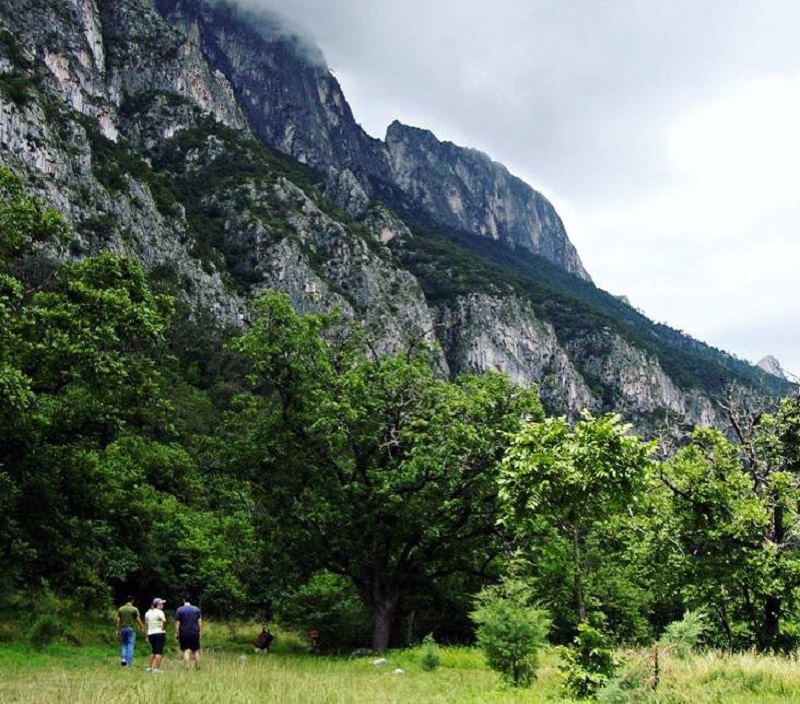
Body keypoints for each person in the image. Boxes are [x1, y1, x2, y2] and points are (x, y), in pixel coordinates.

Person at [114, 595, 144, 668]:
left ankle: (123, 659)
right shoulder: (134, 609)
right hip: (131, 629)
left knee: (123, 644)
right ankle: (128, 664)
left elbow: (118, 620)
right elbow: (137, 619)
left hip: (123, 629)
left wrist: (117, 630)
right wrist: (141, 627)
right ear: (132, 600)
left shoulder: (121, 609)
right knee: (130, 645)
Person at [174, 596, 203, 670]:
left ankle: (187, 668)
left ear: (184, 601)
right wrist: (199, 631)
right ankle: (198, 667)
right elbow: (199, 621)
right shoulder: (196, 609)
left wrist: (177, 633)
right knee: (196, 650)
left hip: (184, 632)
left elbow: (177, 623)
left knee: (186, 651)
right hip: (194, 632)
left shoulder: (180, 610)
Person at [144, 598, 167, 672]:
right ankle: (157, 669)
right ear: (157, 605)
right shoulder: (160, 612)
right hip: (159, 633)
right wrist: (163, 628)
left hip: (151, 634)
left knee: (154, 651)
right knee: (159, 651)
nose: (162, 605)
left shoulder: (148, 613)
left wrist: (146, 635)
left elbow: (146, 624)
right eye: (161, 604)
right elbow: (164, 621)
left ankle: (149, 667)